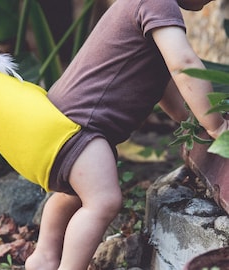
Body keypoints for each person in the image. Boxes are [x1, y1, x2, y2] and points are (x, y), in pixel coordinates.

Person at [24, 0, 229, 269]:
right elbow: (183, 65)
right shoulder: (159, 3)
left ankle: (42, 259)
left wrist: (189, 121)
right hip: (82, 128)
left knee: (71, 193)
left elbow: (164, 82)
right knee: (103, 201)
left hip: (62, 121)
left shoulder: (148, 11)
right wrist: (216, 125)